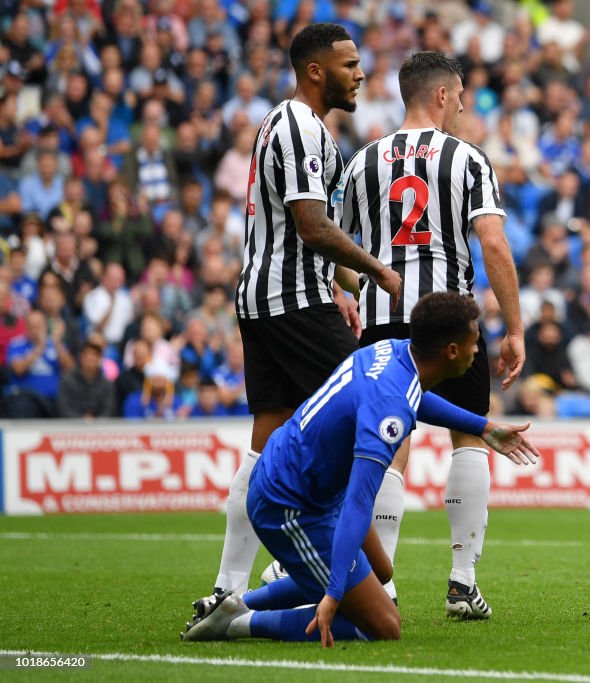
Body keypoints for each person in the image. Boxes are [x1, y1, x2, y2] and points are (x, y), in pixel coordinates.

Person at [182, 293, 538, 645]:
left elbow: (417, 397)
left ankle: (230, 605)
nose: (479, 352)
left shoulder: (394, 351)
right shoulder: (390, 412)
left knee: (382, 570)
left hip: (298, 476)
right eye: (475, 344)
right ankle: (240, 624)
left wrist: (485, 428)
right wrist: (335, 595)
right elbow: (358, 502)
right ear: (452, 351)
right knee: (383, 625)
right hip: (290, 506)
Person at [193, 23, 403, 616]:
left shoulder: (284, 125)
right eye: (349, 64)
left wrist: (345, 281)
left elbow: (295, 229)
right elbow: (312, 225)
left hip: (266, 299)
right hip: (292, 302)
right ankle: (344, 570)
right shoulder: (302, 128)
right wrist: (377, 270)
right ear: (316, 71)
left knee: (268, 438)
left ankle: (227, 589)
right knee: (372, 412)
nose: (360, 74)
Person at [340, 51, 525, 617]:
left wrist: (363, 289)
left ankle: (384, 585)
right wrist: (514, 327)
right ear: (442, 95)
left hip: (382, 318)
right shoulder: (467, 158)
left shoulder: (362, 161)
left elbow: (334, 251)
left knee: (391, 444)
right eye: (461, 93)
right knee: (468, 439)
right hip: (448, 317)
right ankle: (463, 583)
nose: (465, 103)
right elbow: (492, 243)